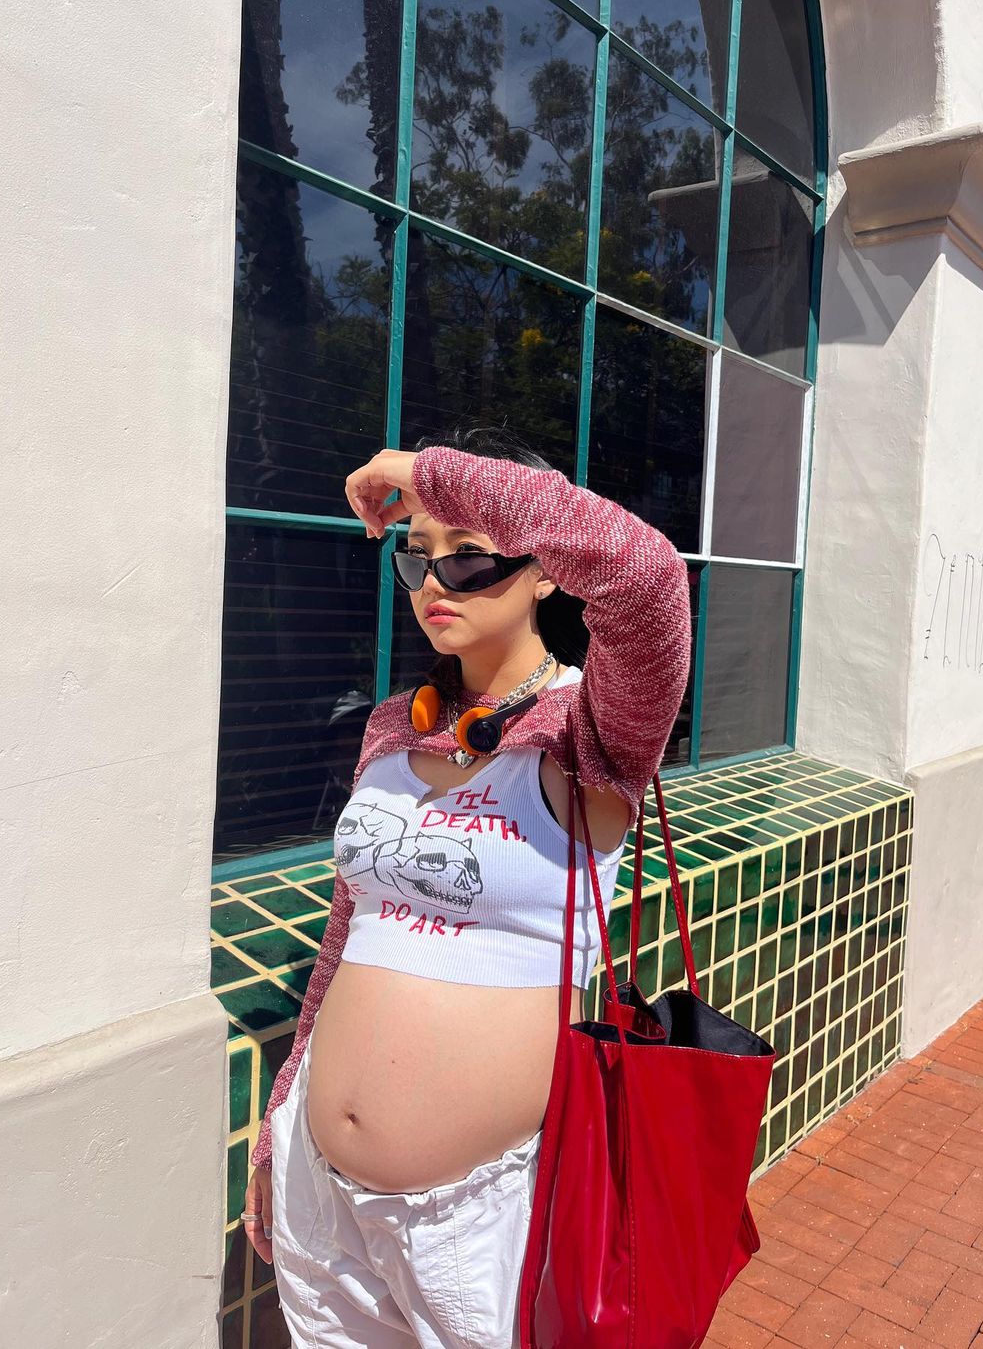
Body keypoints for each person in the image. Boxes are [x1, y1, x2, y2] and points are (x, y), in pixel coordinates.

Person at [240, 426, 692, 1347]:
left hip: (482, 1216)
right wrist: (282, 1116)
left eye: (471, 555)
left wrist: (429, 475)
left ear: (547, 569)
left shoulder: (594, 732)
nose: (436, 583)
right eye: (418, 559)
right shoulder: (392, 726)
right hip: (320, 1190)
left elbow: (649, 583)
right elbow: (347, 934)